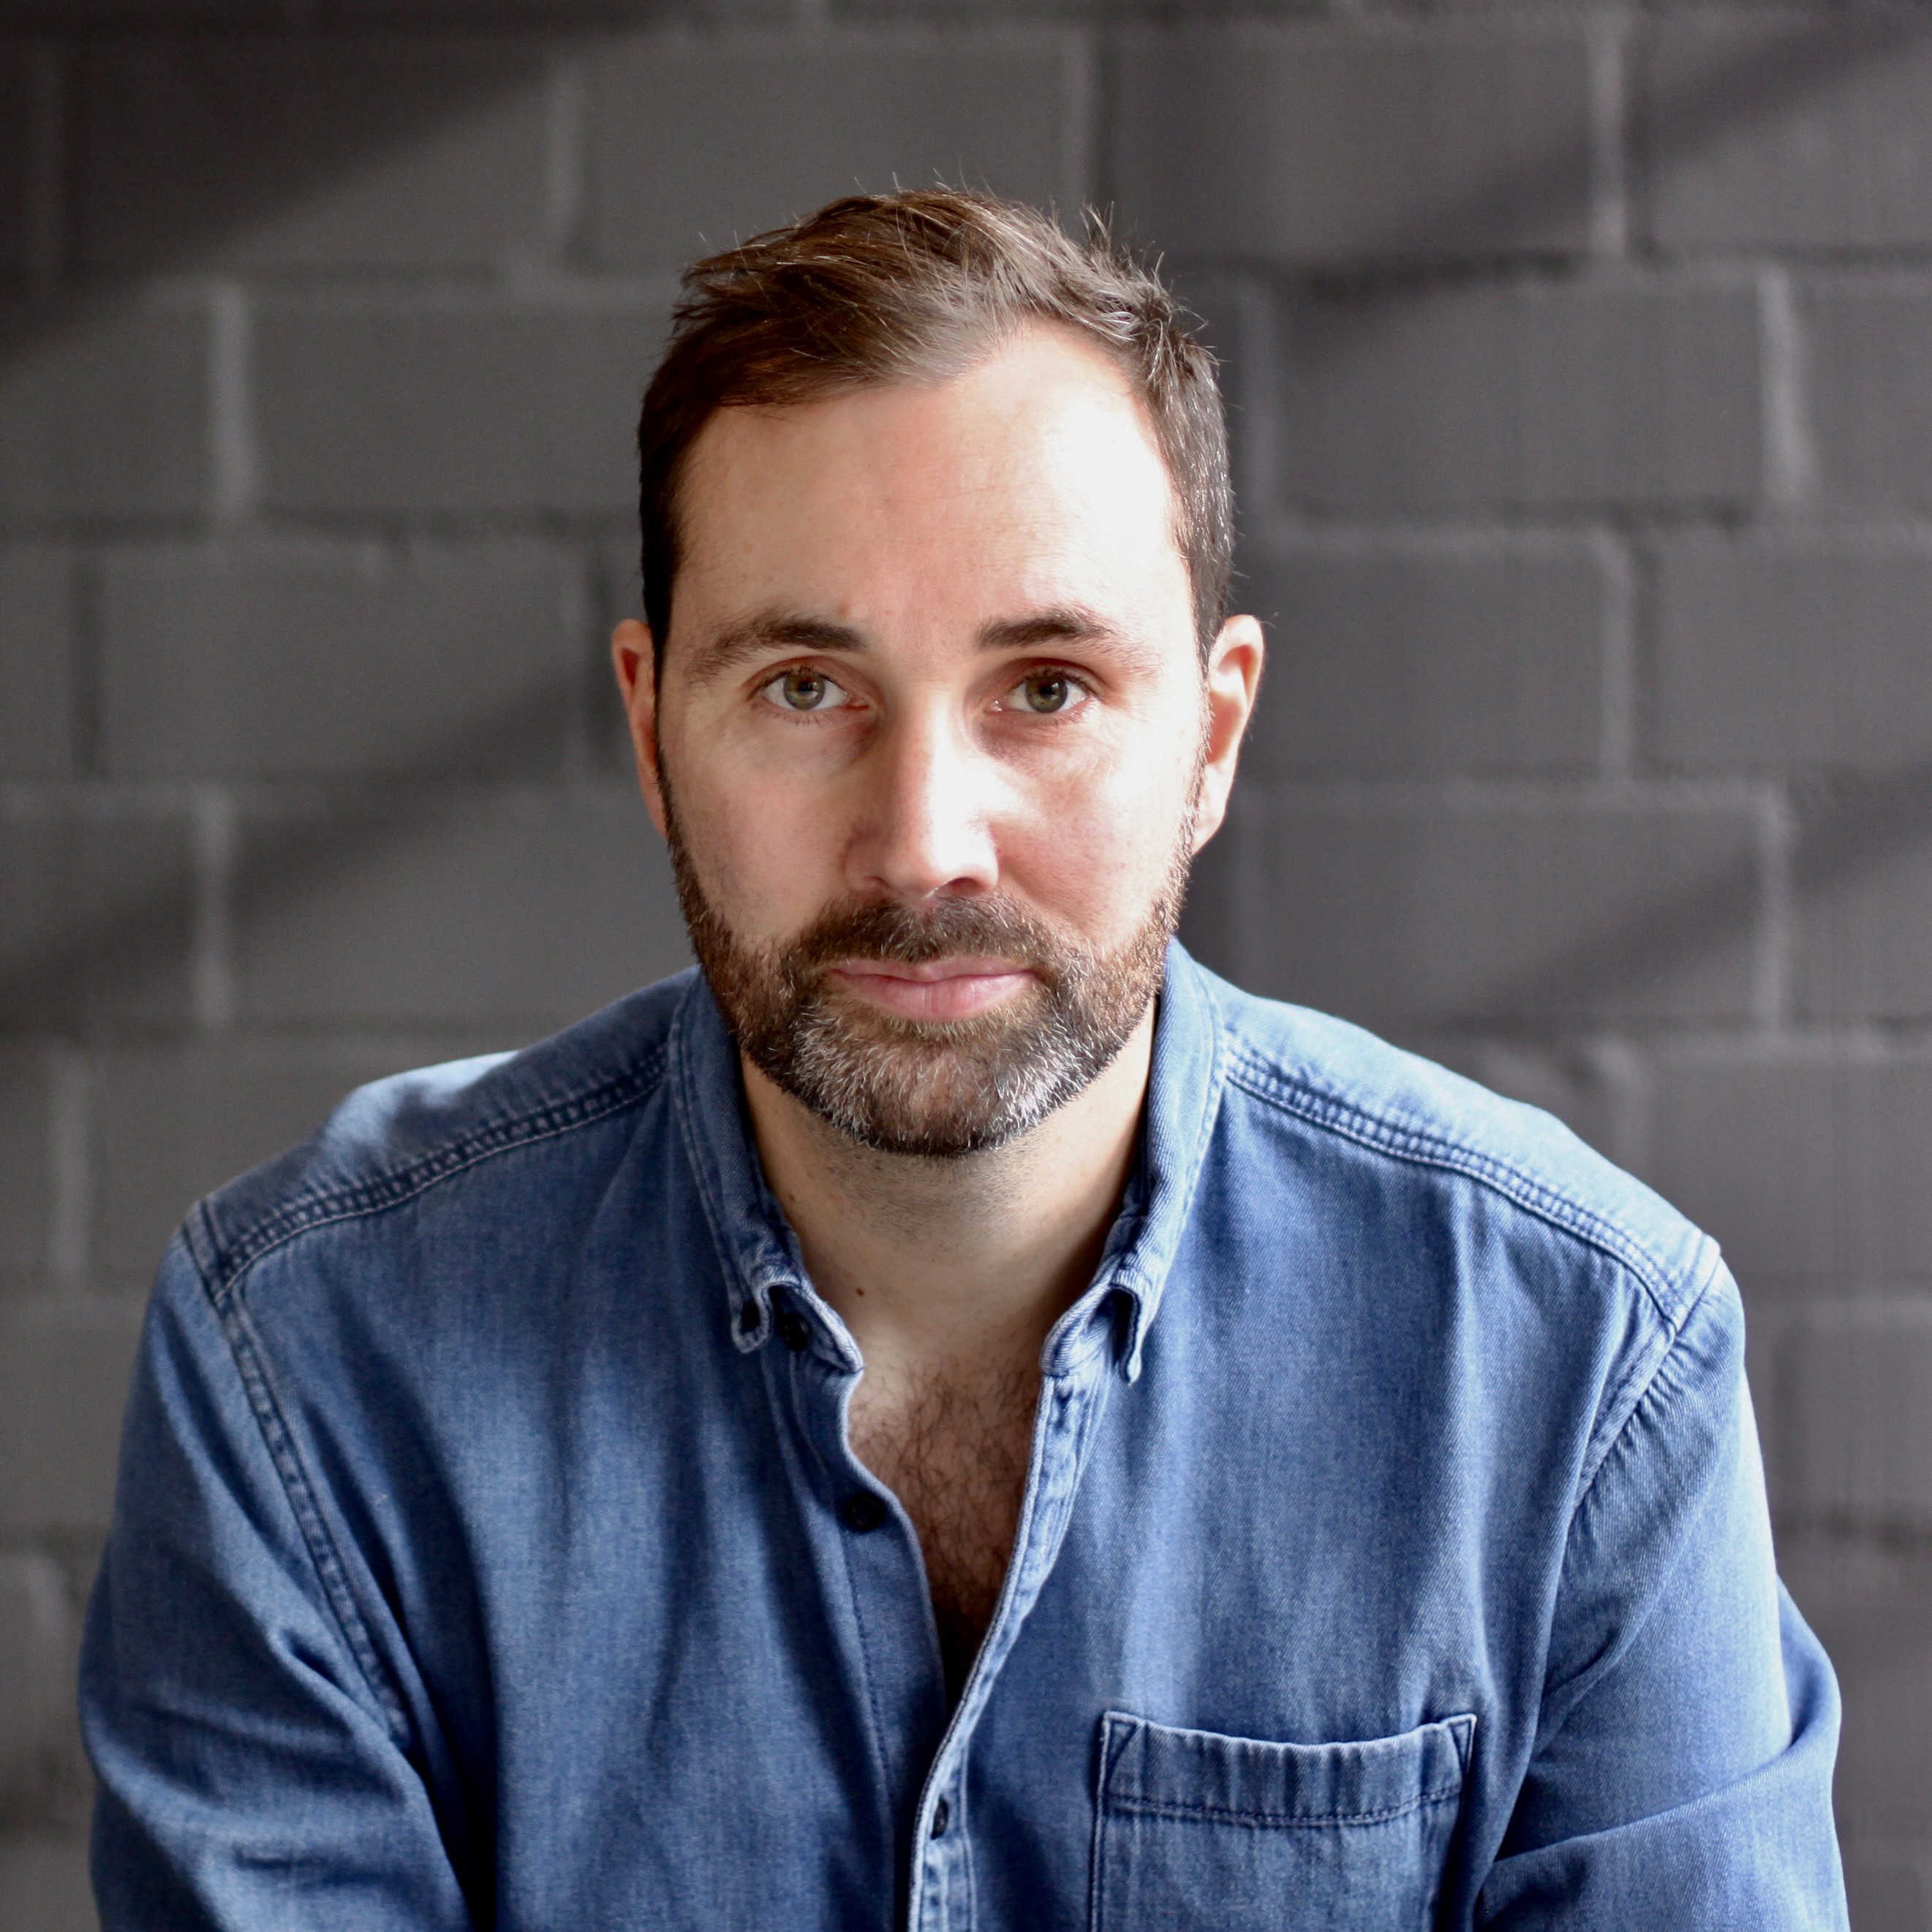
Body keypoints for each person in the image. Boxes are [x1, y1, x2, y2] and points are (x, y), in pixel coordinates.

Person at [80, 188, 1846, 1930]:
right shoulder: (310, 1360)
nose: (924, 845)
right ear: (651, 728)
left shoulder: (1583, 1367)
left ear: (1210, 736)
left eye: (1047, 687)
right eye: (803, 687)